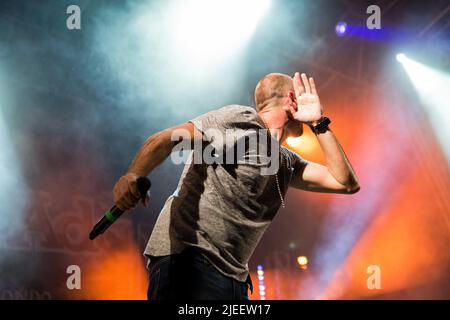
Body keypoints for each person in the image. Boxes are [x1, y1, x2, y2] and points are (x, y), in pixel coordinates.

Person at [112, 72, 360, 300]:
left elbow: (346, 183)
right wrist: (134, 174)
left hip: (234, 280)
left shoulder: (286, 161)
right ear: (292, 100)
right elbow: (168, 138)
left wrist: (319, 123)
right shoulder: (243, 120)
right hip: (191, 260)